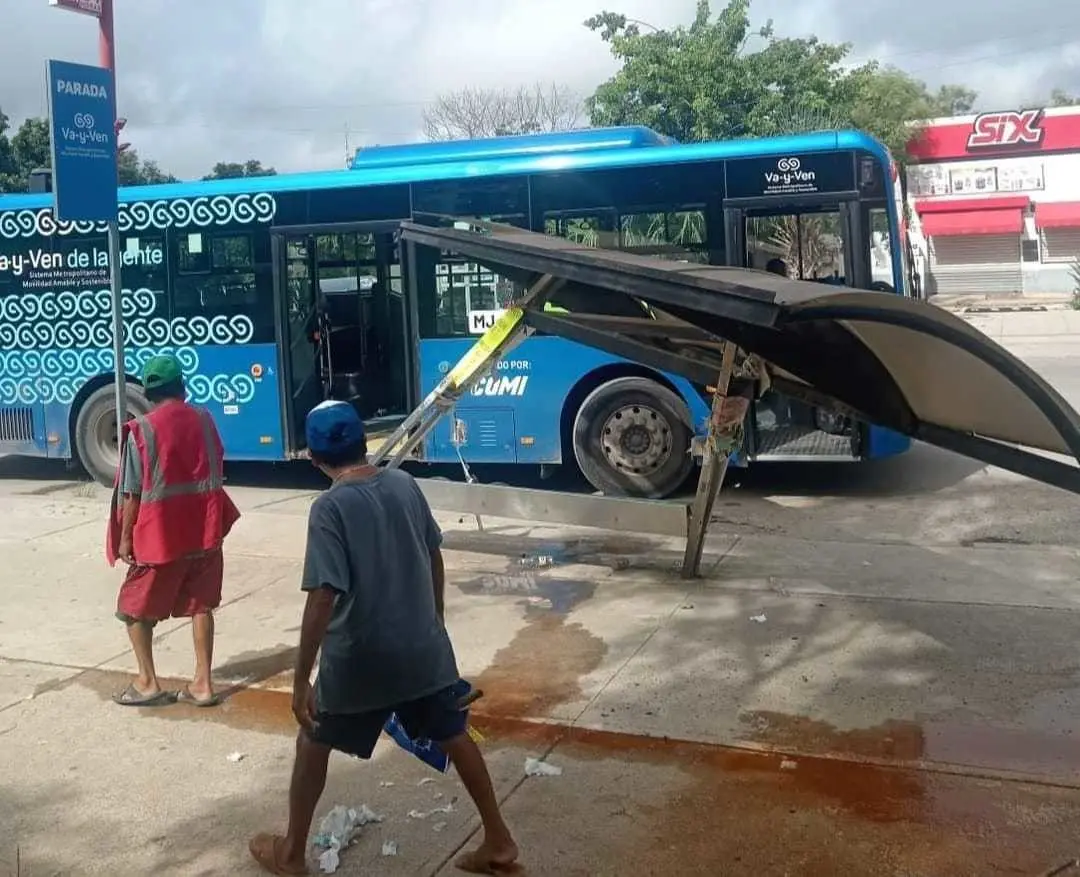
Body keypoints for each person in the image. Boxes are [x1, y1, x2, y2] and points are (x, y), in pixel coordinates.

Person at [249, 400, 519, 876]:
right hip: (423, 651)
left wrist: (300, 681)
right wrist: (433, 623)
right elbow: (433, 554)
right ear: (364, 443)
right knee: (453, 732)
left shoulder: (329, 508)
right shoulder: (403, 483)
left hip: (360, 660)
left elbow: (321, 598)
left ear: (314, 459)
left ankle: (291, 852)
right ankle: (498, 838)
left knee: (312, 739)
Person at [106, 354, 240, 708]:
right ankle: (203, 684)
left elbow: (132, 495)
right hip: (205, 530)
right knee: (201, 605)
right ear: (182, 387)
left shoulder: (143, 430)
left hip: (161, 536)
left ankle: (148, 682)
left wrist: (124, 539)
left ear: (149, 393)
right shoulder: (204, 419)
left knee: (133, 609)